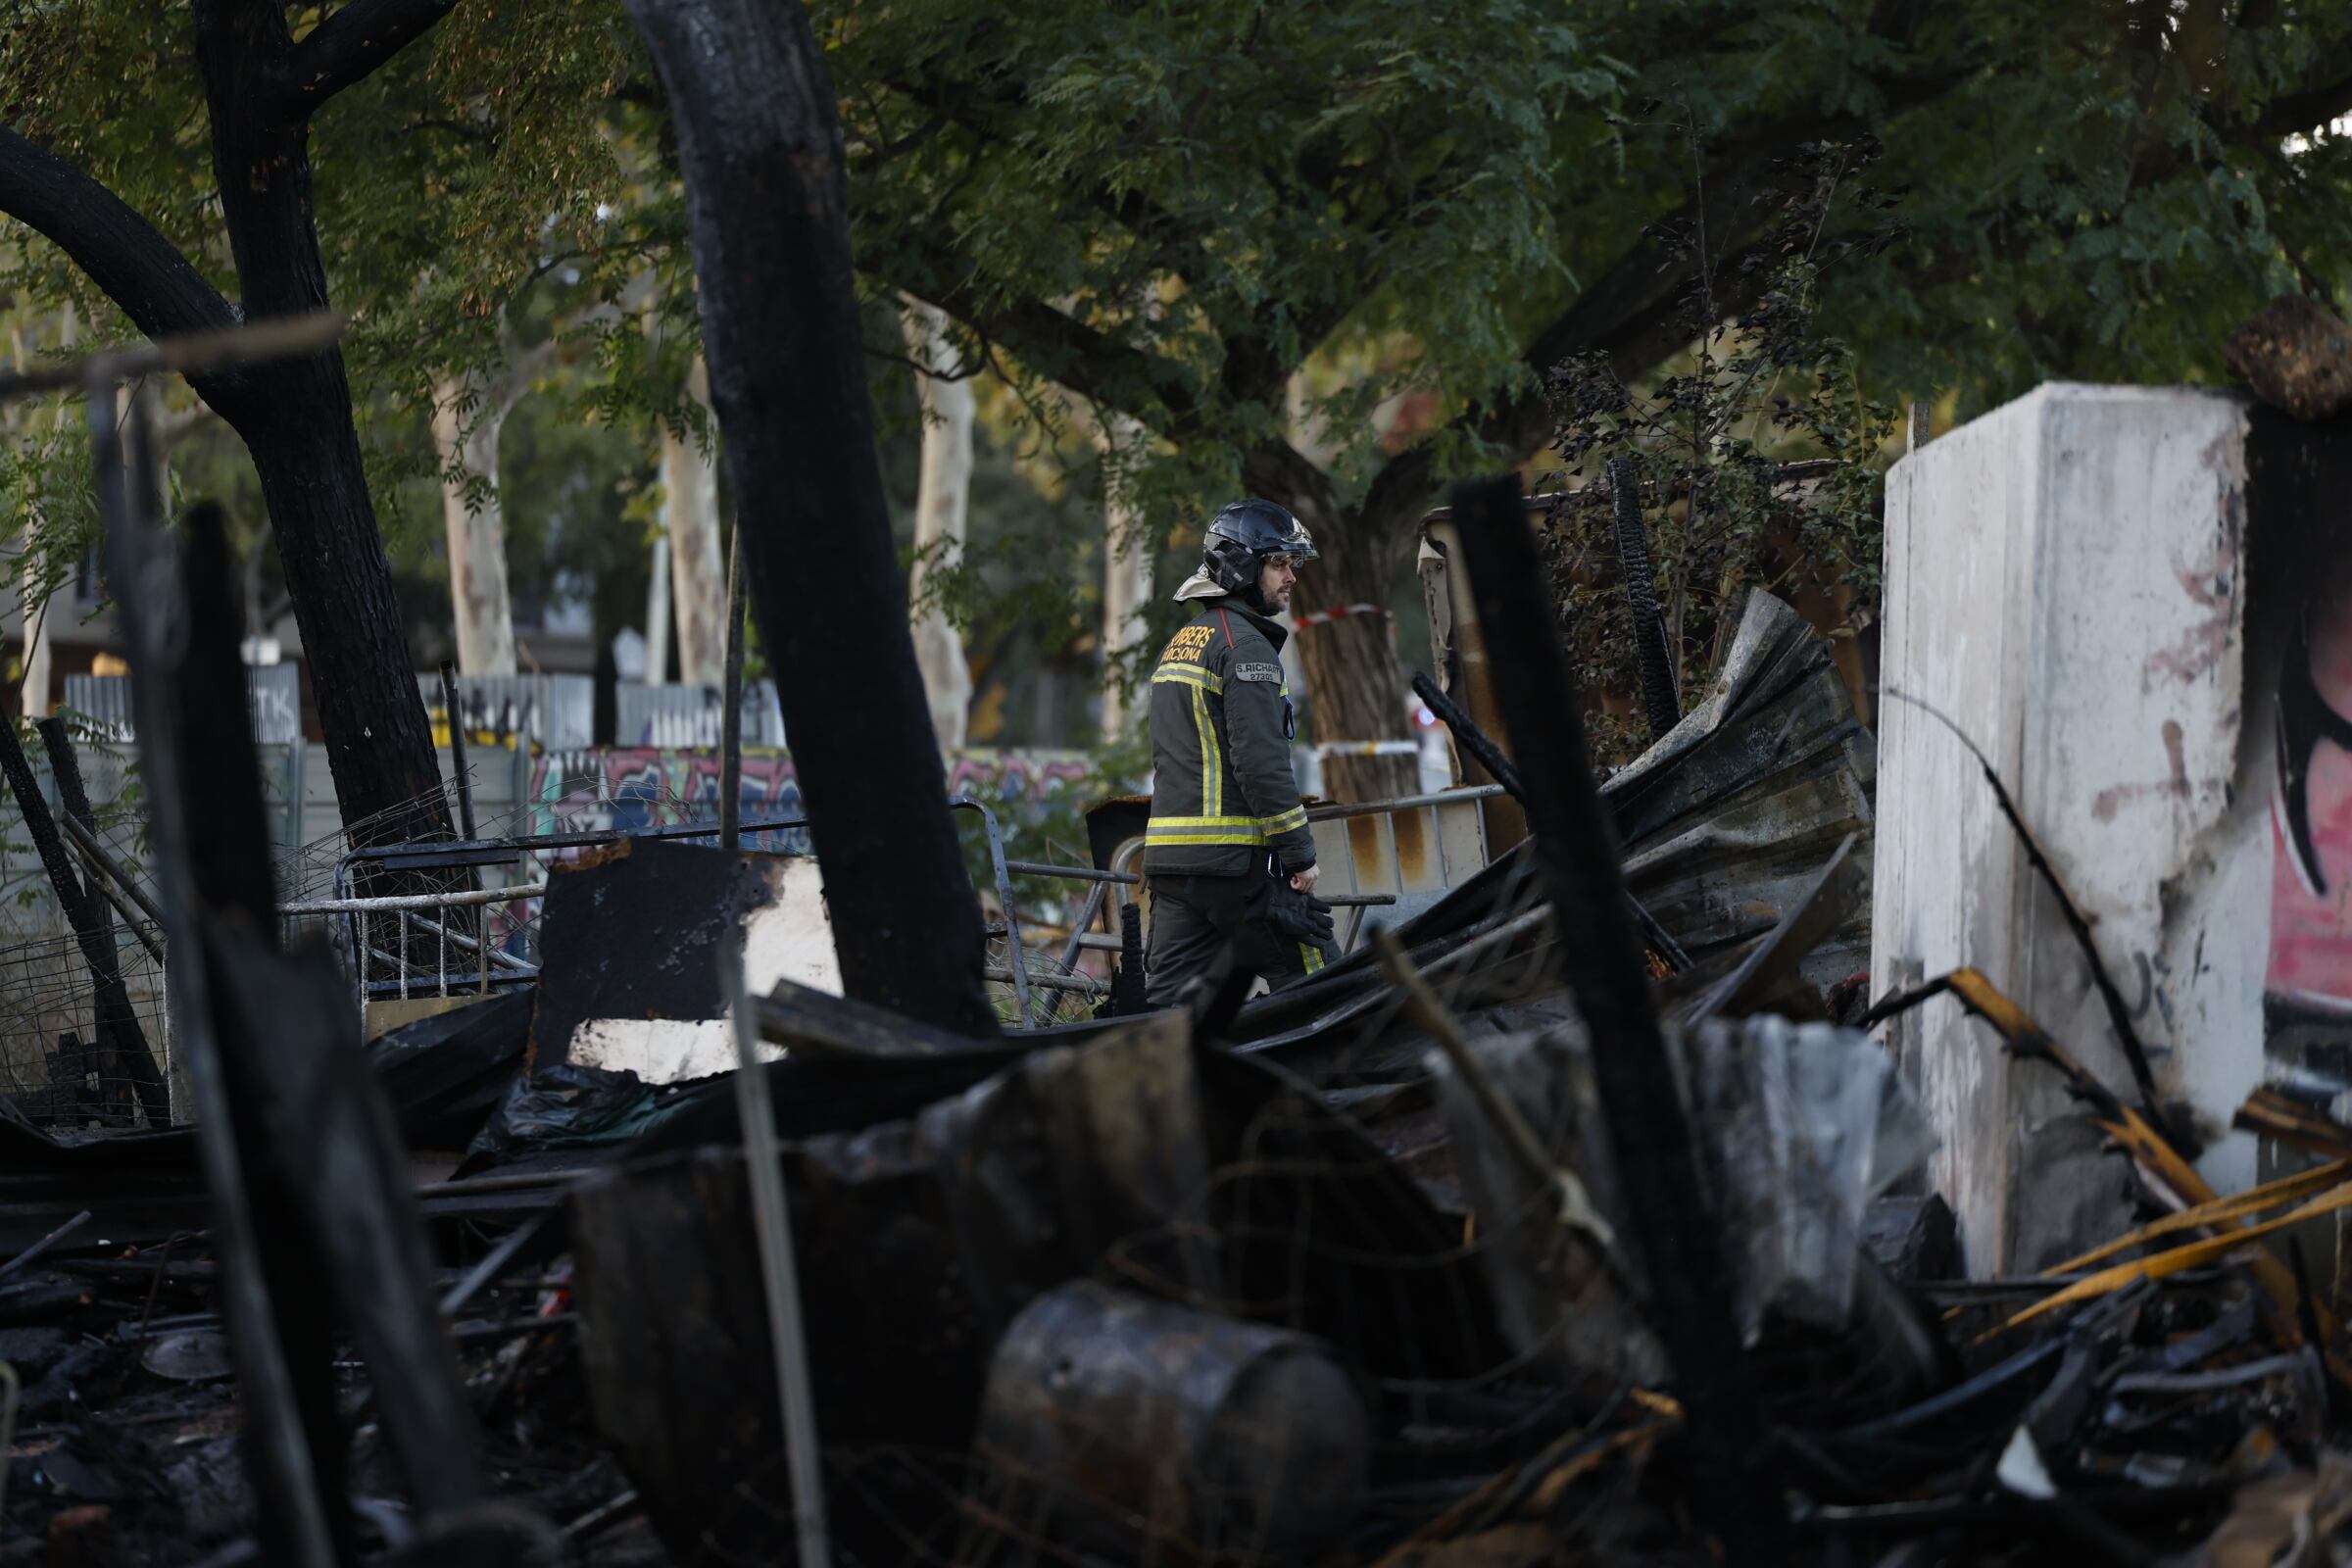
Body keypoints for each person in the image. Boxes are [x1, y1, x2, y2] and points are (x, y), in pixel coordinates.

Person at [1142, 498, 1337, 1006]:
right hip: (1236, 867)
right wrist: (1300, 855)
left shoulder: (1183, 642)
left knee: (1169, 1020)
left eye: (1292, 564)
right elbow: (1261, 764)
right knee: (1328, 995)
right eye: (1278, 563)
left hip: (1170, 868)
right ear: (1241, 567)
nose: (1291, 576)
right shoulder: (1245, 648)